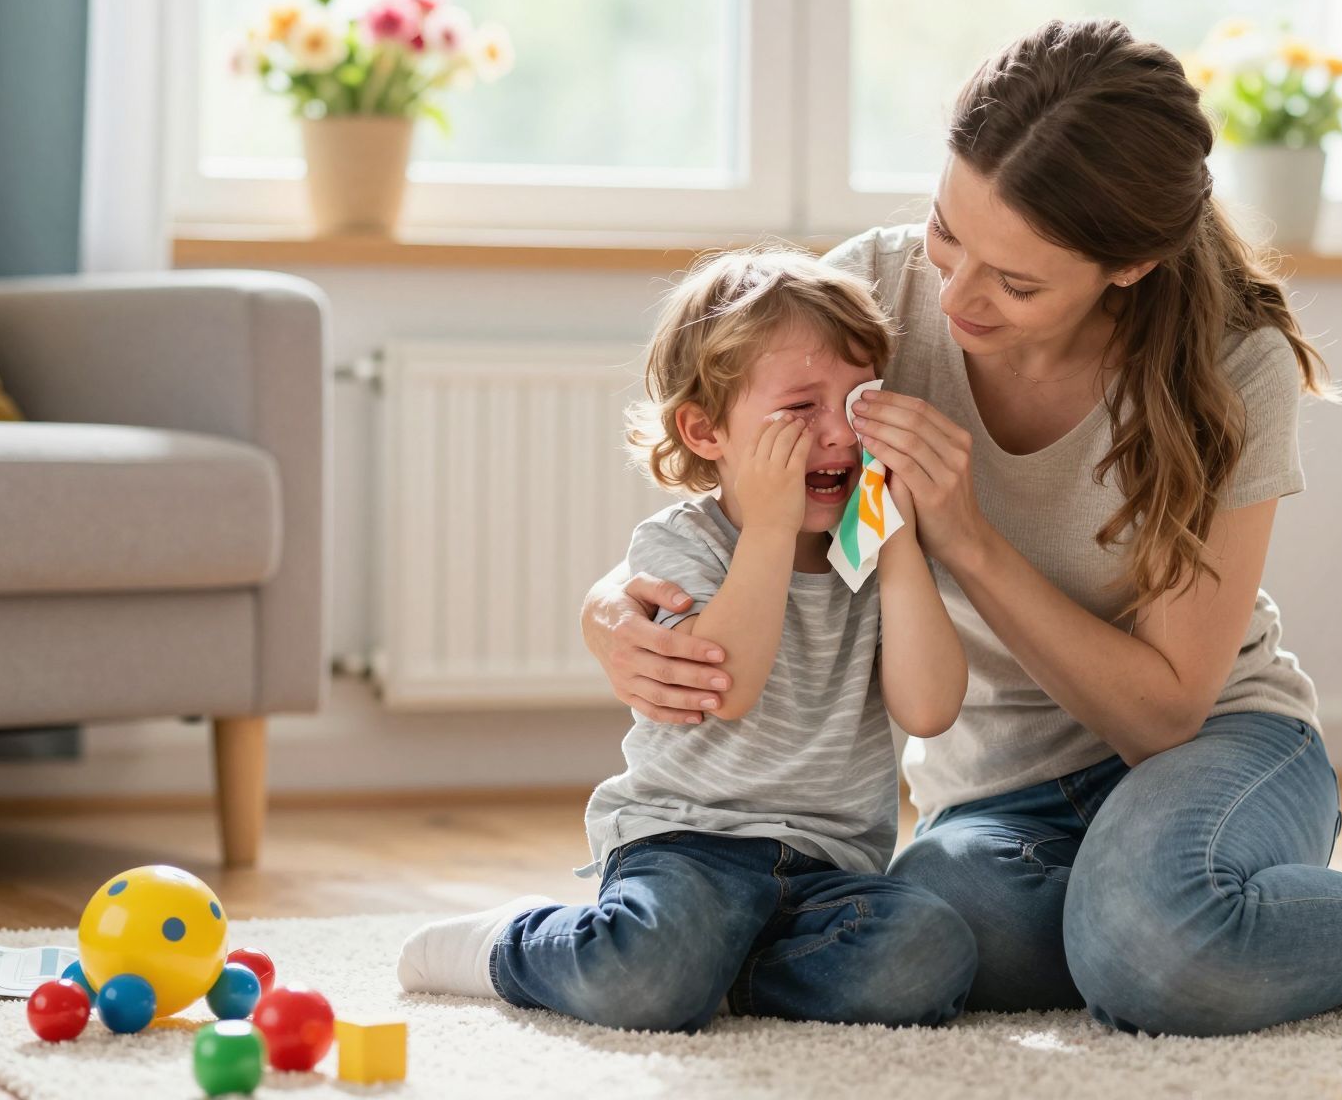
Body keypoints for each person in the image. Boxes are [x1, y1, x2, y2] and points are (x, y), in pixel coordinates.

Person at [582, 20, 1342, 1037]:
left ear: (1127, 267)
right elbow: (742, 488)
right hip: (995, 797)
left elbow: (1164, 714)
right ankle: (1197, 915)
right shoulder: (874, 292)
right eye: (945, 231)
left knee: (1154, 959)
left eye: (1013, 281)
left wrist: (967, 537)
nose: (956, 296)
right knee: (934, 936)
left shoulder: (1227, 366)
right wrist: (608, 614)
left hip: (1216, 749)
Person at [400, 249, 977, 1031]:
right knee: (641, 980)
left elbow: (931, 706)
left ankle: (719, 976)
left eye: (859, 399)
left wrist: (902, 541)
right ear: (706, 431)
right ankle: (513, 943)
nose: (840, 432)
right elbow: (726, 685)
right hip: (687, 846)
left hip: (831, 869)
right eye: (801, 406)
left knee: (931, 948)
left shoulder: (877, 550)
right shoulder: (682, 545)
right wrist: (771, 527)